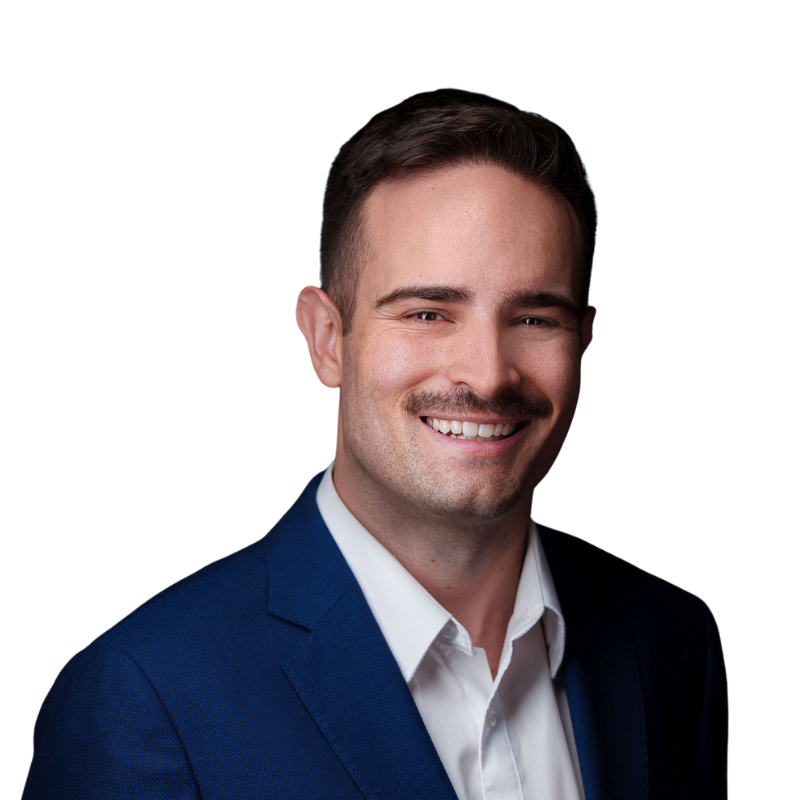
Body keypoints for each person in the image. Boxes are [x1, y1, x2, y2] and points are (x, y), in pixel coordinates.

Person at [22, 89, 727, 800]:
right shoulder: (144, 699)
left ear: (583, 338)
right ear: (328, 339)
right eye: (427, 312)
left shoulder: (670, 643)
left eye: (536, 318)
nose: (486, 373)